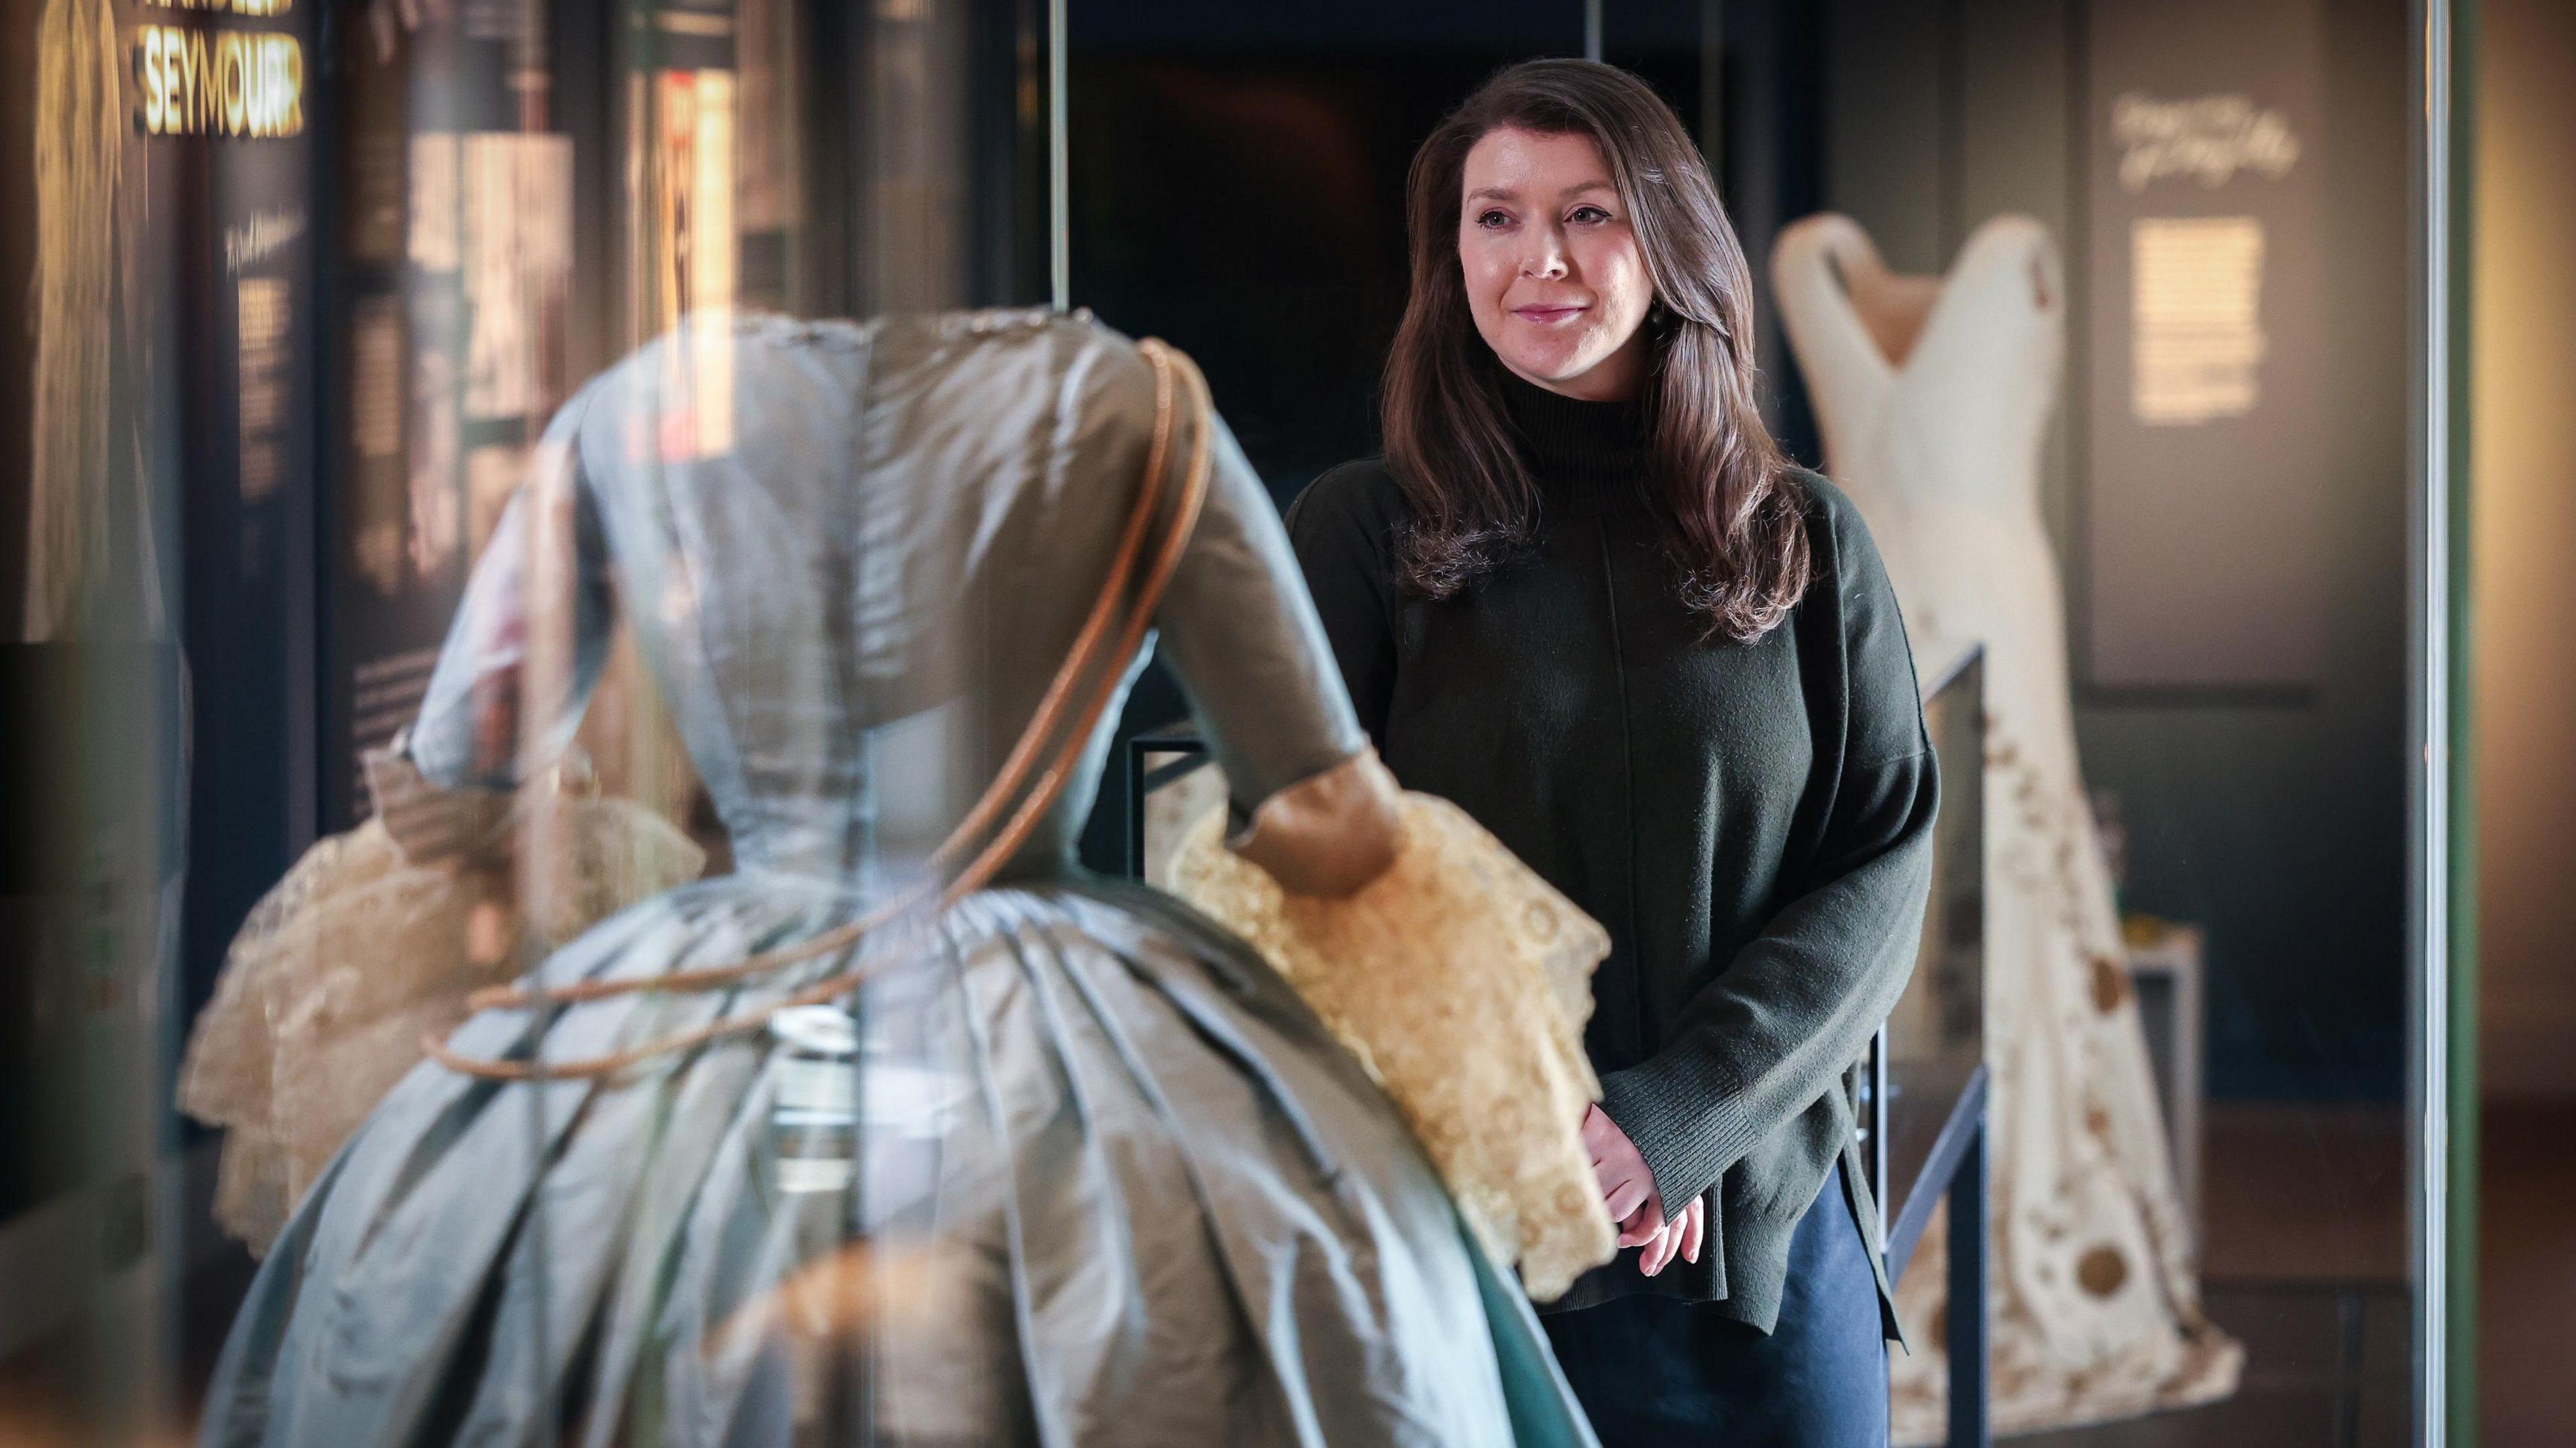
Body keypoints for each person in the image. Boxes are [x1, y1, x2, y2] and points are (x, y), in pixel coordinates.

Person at [193, 311, 1597, 1448]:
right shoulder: (1136, 405)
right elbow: (1325, 819)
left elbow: (457, 792)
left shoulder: (631, 411)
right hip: (1073, 1003)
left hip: (703, 993)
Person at [1288, 60, 1937, 1445]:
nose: (1540, 260)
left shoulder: (1805, 538)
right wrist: (1556, 1130)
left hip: (1760, 1219)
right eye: (1495, 218)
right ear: (1448, 251)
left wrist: (1671, 1120)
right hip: (1480, 1226)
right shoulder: (1362, 533)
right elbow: (1315, 889)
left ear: (1671, 239)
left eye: (1589, 214)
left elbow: (1882, 869)